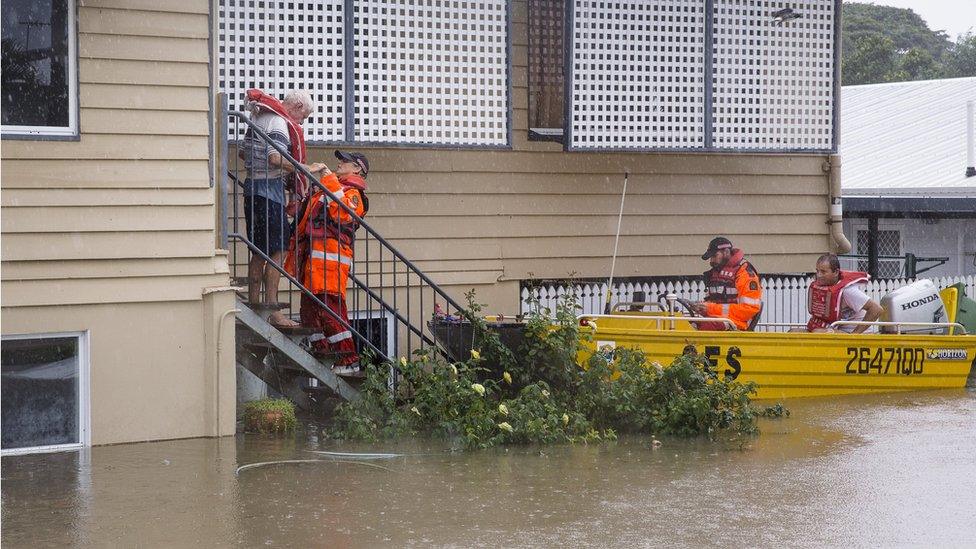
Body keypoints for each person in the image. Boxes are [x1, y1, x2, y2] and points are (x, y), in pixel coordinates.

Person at [241, 89, 326, 327]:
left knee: (259, 251)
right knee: (277, 251)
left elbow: (243, 152)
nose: (301, 123)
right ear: (297, 106)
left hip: (252, 189)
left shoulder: (260, 116)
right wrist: (305, 169)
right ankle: (273, 311)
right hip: (269, 191)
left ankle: (255, 304)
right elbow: (275, 158)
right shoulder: (278, 121)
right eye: (304, 117)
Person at [286, 150, 370, 375]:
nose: (339, 163)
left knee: (332, 313)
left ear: (357, 169)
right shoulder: (328, 188)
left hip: (330, 264)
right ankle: (321, 351)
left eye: (345, 161)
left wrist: (326, 176)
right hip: (313, 262)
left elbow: (345, 214)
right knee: (309, 312)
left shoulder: (352, 193)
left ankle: (349, 360)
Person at [690, 237, 762, 331]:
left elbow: (749, 309)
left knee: (705, 326)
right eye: (711, 258)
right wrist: (702, 307)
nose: (711, 261)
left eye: (714, 256)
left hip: (739, 323)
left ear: (726, 252)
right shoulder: (716, 273)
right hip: (720, 319)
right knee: (687, 322)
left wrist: (710, 308)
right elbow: (713, 302)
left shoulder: (744, 273)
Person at [801, 253, 883, 334]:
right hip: (838, 330)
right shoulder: (824, 288)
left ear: (836, 272)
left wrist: (854, 335)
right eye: (817, 271)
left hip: (852, 334)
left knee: (817, 332)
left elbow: (877, 309)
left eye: (823, 272)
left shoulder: (848, 291)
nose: (818, 275)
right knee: (793, 332)